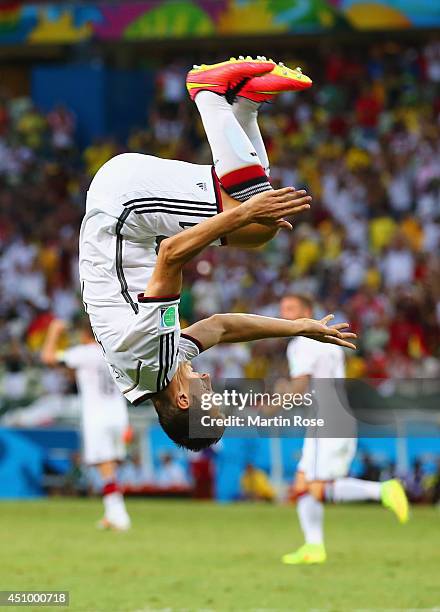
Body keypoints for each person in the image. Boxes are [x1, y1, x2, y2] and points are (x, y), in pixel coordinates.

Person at [79, 57, 356, 452]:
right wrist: (298, 327)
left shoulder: (153, 358)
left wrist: (244, 211)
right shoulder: (156, 371)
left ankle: (208, 94)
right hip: (125, 211)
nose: (211, 384)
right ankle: (246, 103)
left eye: (209, 398)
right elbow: (222, 327)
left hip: (124, 205)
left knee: (255, 213)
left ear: (184, 400)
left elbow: (171, 255)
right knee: (258, 231)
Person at [279, 294, 409, 565]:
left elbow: (300, 386)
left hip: (329, 421)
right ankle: (314, 547)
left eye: (292, 308)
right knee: (303, 484)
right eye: (283, 309)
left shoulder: (302, 342)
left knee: (316, 488)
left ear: (308, 311)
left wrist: (273, 402)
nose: (285, 314)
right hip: (330, 417)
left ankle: (383, 490)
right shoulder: (328, 340)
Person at [41, 317, 131, 531]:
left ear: (84, 334)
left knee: (104, 463)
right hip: (118, 413)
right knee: (109, 464)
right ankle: (112, 512)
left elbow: (48, 358)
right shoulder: (114, 351)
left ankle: (119, 514)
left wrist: (54, 331)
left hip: (97, 415)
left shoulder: (83, 353)